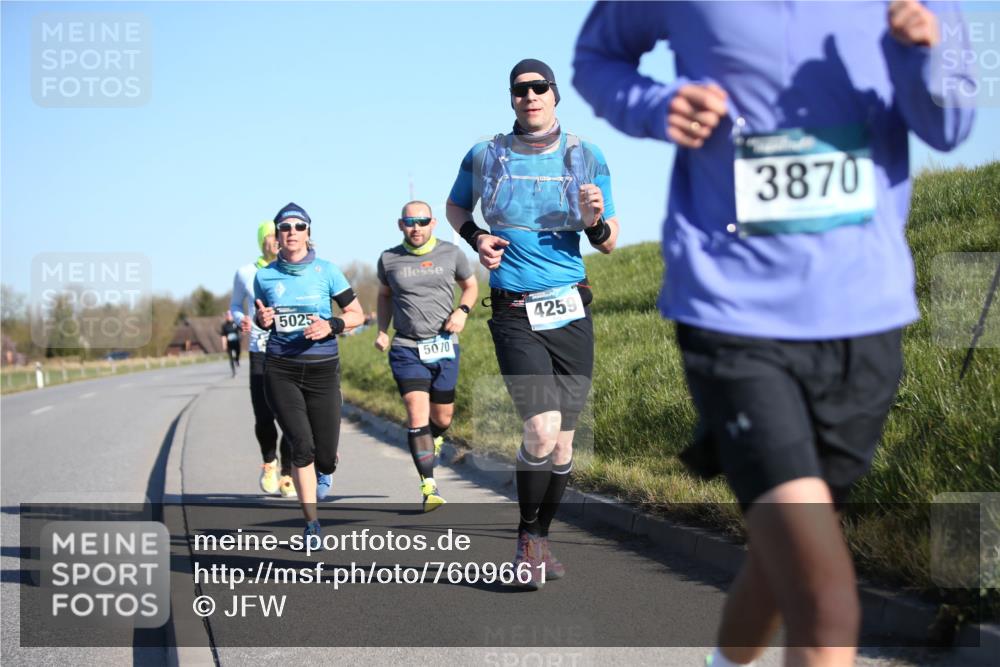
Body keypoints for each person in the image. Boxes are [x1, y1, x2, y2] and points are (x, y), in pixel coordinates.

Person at [572, 2, 975, 664]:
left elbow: (951, 126)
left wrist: (921, 52)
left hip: (864, 314)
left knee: (785, 553)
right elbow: (597, 58)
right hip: (733, 310)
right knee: (826, 598)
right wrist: (654, 105)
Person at [446, 58, 620, 589]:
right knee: (540, 429)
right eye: (520, 90)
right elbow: (455, 209)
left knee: (564, 445)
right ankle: (525, 540)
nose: (530, 96)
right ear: (512, 98)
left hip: (570, 307)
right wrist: (477, 237)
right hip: (514, 309)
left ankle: (542, 538)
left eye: (539, 87)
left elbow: (609, 241)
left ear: (554, 94)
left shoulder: (586, 155)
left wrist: (593, 222)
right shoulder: (485, 154)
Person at [254, 203, 366, 541]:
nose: (292, 232)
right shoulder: (264, 276)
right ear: (277, 235)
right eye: (285, 227)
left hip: (322, 370)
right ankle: (312, 524)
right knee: (301, 446)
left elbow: (357, 314)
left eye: (298, 226)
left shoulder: (327, 271)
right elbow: (263, 318)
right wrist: (262, 321)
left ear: (308, 233)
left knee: (325, 456)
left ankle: (327, 468)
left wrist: (332, 325)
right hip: (281, 368)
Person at [375, 201, 478, 512]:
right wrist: (382, 330)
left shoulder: (451, 253)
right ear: (400, 225)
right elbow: (384, 296)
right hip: (407, 347)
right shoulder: (389, 259)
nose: (416, 227)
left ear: (433, 223)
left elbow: (470, 287)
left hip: (444, 345)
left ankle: (435, 437)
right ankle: (429, 486)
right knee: (416, 413)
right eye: (410, 222)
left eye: (422, 221)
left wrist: (462, 311)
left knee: (442, 417)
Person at [231, 221, 295, 498]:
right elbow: (235, 305)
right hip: (260, 349)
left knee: (291, 414)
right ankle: (269, 463)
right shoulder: (245, 273)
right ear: (262, 241)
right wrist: (240, 320)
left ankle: (288, 472)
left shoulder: (292, 269)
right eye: (269, 236)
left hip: (289, 348)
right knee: (263, 413)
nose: (274, 240)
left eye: (277, 235)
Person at [219, 311, 241, 377]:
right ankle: (233, 372)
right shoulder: (224, 325)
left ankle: (237, 360)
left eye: (230, 315)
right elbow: (223, 336)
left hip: (236, 342)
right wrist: (224, 345)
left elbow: (241, 330)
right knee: (230, 358)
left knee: (238, 353)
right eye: (227, 315)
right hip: (229, 344)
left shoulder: (236, 323)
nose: (228, 316)